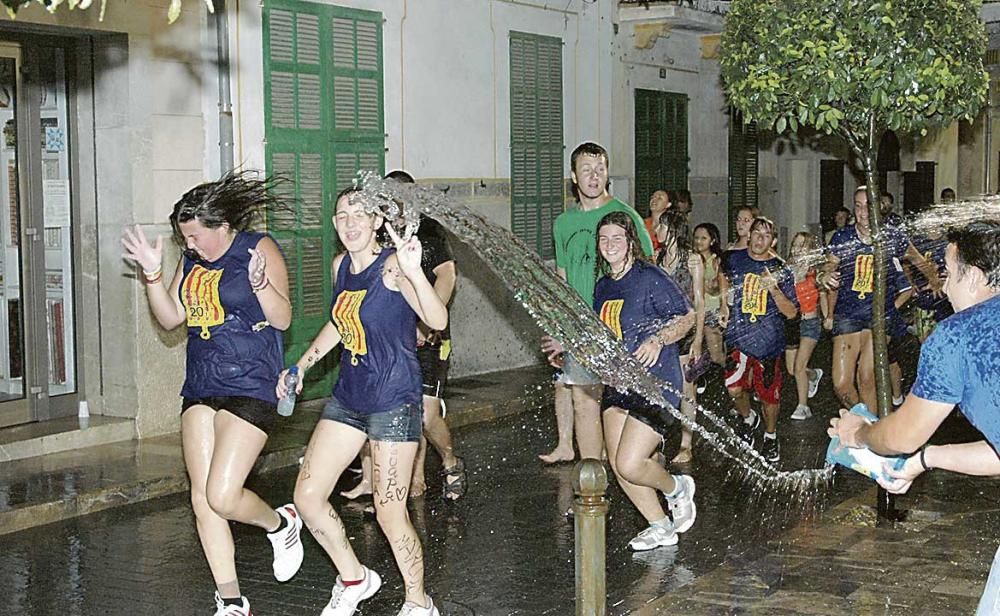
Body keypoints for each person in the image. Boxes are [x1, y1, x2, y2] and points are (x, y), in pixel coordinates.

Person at [121, 172, 303, 616]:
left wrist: (261, 286)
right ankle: (231, 599)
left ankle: (281, 523)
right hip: (202, 380)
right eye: (185, 238)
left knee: (224, 494)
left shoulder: (258, 248)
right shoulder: (192, 260)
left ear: (222, 226)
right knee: (203, 500)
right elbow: (170, 319)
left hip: (252, 381)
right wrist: (151, 274)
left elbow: (282, 319)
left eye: (196, 236)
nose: (192, 245)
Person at [283, 186, 447, 616]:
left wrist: (414, 273)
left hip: (394, 400)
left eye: (360, 214)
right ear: (335, 225)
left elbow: (436, 319)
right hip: (349, 398)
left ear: (377, 222)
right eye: (342, 216)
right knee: (308, 496)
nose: (350, 222)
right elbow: (340, 324)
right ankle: (354, 578)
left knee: (389, 511)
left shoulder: (392, 266)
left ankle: (419, 602)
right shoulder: (341, 267)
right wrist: (301, 366)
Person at [828, 220, 1000, 616]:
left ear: (973, 277)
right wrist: (925, 461)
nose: (944, 284)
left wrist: (860, 434)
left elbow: (903, 435)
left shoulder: (957, 336)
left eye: (949, 272)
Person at [544, 211, 696, 551]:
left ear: (631, 242)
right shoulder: (603, 286)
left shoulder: (649, 276)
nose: (610, 244)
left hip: (656, 383)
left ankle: (676, 488)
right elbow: (604, 337)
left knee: (630, 461)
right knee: (618, 464)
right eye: (604, 238)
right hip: (620, 384)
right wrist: (566, 345)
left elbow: (688, 317)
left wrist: (658, 340)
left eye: (617, 238)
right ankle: (660, 526)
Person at [341, 171, 466, 502]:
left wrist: (427, 324)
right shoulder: (378, 233)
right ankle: (402, 476)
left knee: (425, 414)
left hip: (430, 336)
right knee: (393, 406)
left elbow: (447, 275)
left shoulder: (427, 231)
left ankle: (451, 461)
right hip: (391, 337)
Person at [539, 142, 653, 464]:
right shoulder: (563, 223)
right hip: (581, 328)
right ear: (574, 176)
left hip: (621, 325)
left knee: (623, 406)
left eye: (600, 169)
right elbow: (562, 280)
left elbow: (647, 271)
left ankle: (643, 470)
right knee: (584, 401)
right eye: (586, 170)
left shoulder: (624, 216)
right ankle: (593, 486)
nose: (594, 176)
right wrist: (560, 328)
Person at [823, 187, 941, 412]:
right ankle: (866, 421)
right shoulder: (843, 236)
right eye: (857, 206)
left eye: (868, 206)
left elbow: (917, 259)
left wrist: (935, 279)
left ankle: (872, 438)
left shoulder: (891, 235)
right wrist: (825, 274)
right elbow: (829, 264)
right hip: (848, 313)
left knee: (867, 376)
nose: (862, 212)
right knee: (841, 384)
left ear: (879, 208)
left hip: (880, 313)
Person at [719, 217, 798, 463]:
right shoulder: (735, 259)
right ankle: (747, 418)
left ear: (773, 241)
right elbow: (722, 275)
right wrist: (724, 304)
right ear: (749, 235)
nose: (759, 239)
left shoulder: (780, 269)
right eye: (756, 233)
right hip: (739, 336)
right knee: (733, 388)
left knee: (768, 396)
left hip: (768, 343)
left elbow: (792, 312)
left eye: (766, 235)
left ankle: (771, 435)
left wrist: (773, 288)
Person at [655, 210, 704, 463]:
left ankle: (687, 444)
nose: (656, 231)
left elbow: (700, 301)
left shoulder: (693, 259)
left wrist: (697, 340)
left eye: (660, 227)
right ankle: (657, 440)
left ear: (672, 229)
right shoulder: (657, 258)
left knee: (687, 389)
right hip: (664, 332)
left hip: (687, 332)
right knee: (661, 387)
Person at [783, 231, 826, 421]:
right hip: (792, 324)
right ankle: (813, 375)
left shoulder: (815, 271)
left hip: (810, 323)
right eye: (795, 245)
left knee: (799, 367)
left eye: (802, 245)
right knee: (793, 370)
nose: (797, 249)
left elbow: (823, 293)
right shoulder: (787, 269)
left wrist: (828, 316)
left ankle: (803, 407)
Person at [692, 222, 726, 369]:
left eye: (703, 238)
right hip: (694, 313)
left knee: (716, 355)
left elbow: (719, 289)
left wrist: (705, 285)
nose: (699, 241)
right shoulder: (691, 259)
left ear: (712, 240)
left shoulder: (716, 261)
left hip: (711, 311)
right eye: (696, 238)